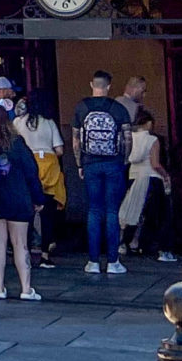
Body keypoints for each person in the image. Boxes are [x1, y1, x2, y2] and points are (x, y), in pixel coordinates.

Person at [0, 106, 44, 302]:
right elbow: (31, 172)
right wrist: (38, 198)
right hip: (18, 197)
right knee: (20, 243)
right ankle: (26, 288)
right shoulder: (17, 143)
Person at [70, 71, 131, 277]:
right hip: (113, 164)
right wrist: (124, 160)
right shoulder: (118, 108)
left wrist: (79, 164)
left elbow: (76, 140)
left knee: (94, 211)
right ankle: (113, 261)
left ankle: (93, 261)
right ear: (109, 86)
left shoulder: (82, 107)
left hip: (90, 164)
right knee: (112, 211)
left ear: (91, 84)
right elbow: (127, 139)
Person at [12, 92, 66, 269]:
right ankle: (44, 254)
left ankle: (23, 251)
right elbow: (59, 150)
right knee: (47, 213)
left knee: (25, 213)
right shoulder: (49, 122)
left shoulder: (18, 122)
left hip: (26, 166)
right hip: (49, 166)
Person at [120, 107, 175, 262]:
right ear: (149, 123)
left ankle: (125, 243)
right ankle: (162, 250)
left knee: (132, 212)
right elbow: (155, 163)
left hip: (133, 176)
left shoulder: (129, 138)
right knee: (158, 215)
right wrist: (166, 175)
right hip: (151, 177)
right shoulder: (152, 140)